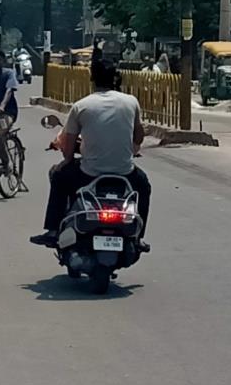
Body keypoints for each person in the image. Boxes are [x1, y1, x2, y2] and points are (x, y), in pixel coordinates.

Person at [29, 57, 152, 249]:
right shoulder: (131, 102)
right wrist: (133, 150)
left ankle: (53, 231)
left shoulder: (82, 105)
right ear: (115, 78)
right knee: (143, 186)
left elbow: (68, 144)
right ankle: (138, 237)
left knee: (58, 175)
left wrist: (67, 160)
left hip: (89, 173)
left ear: (92, 78)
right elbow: (138, 136)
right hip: (125, 172)